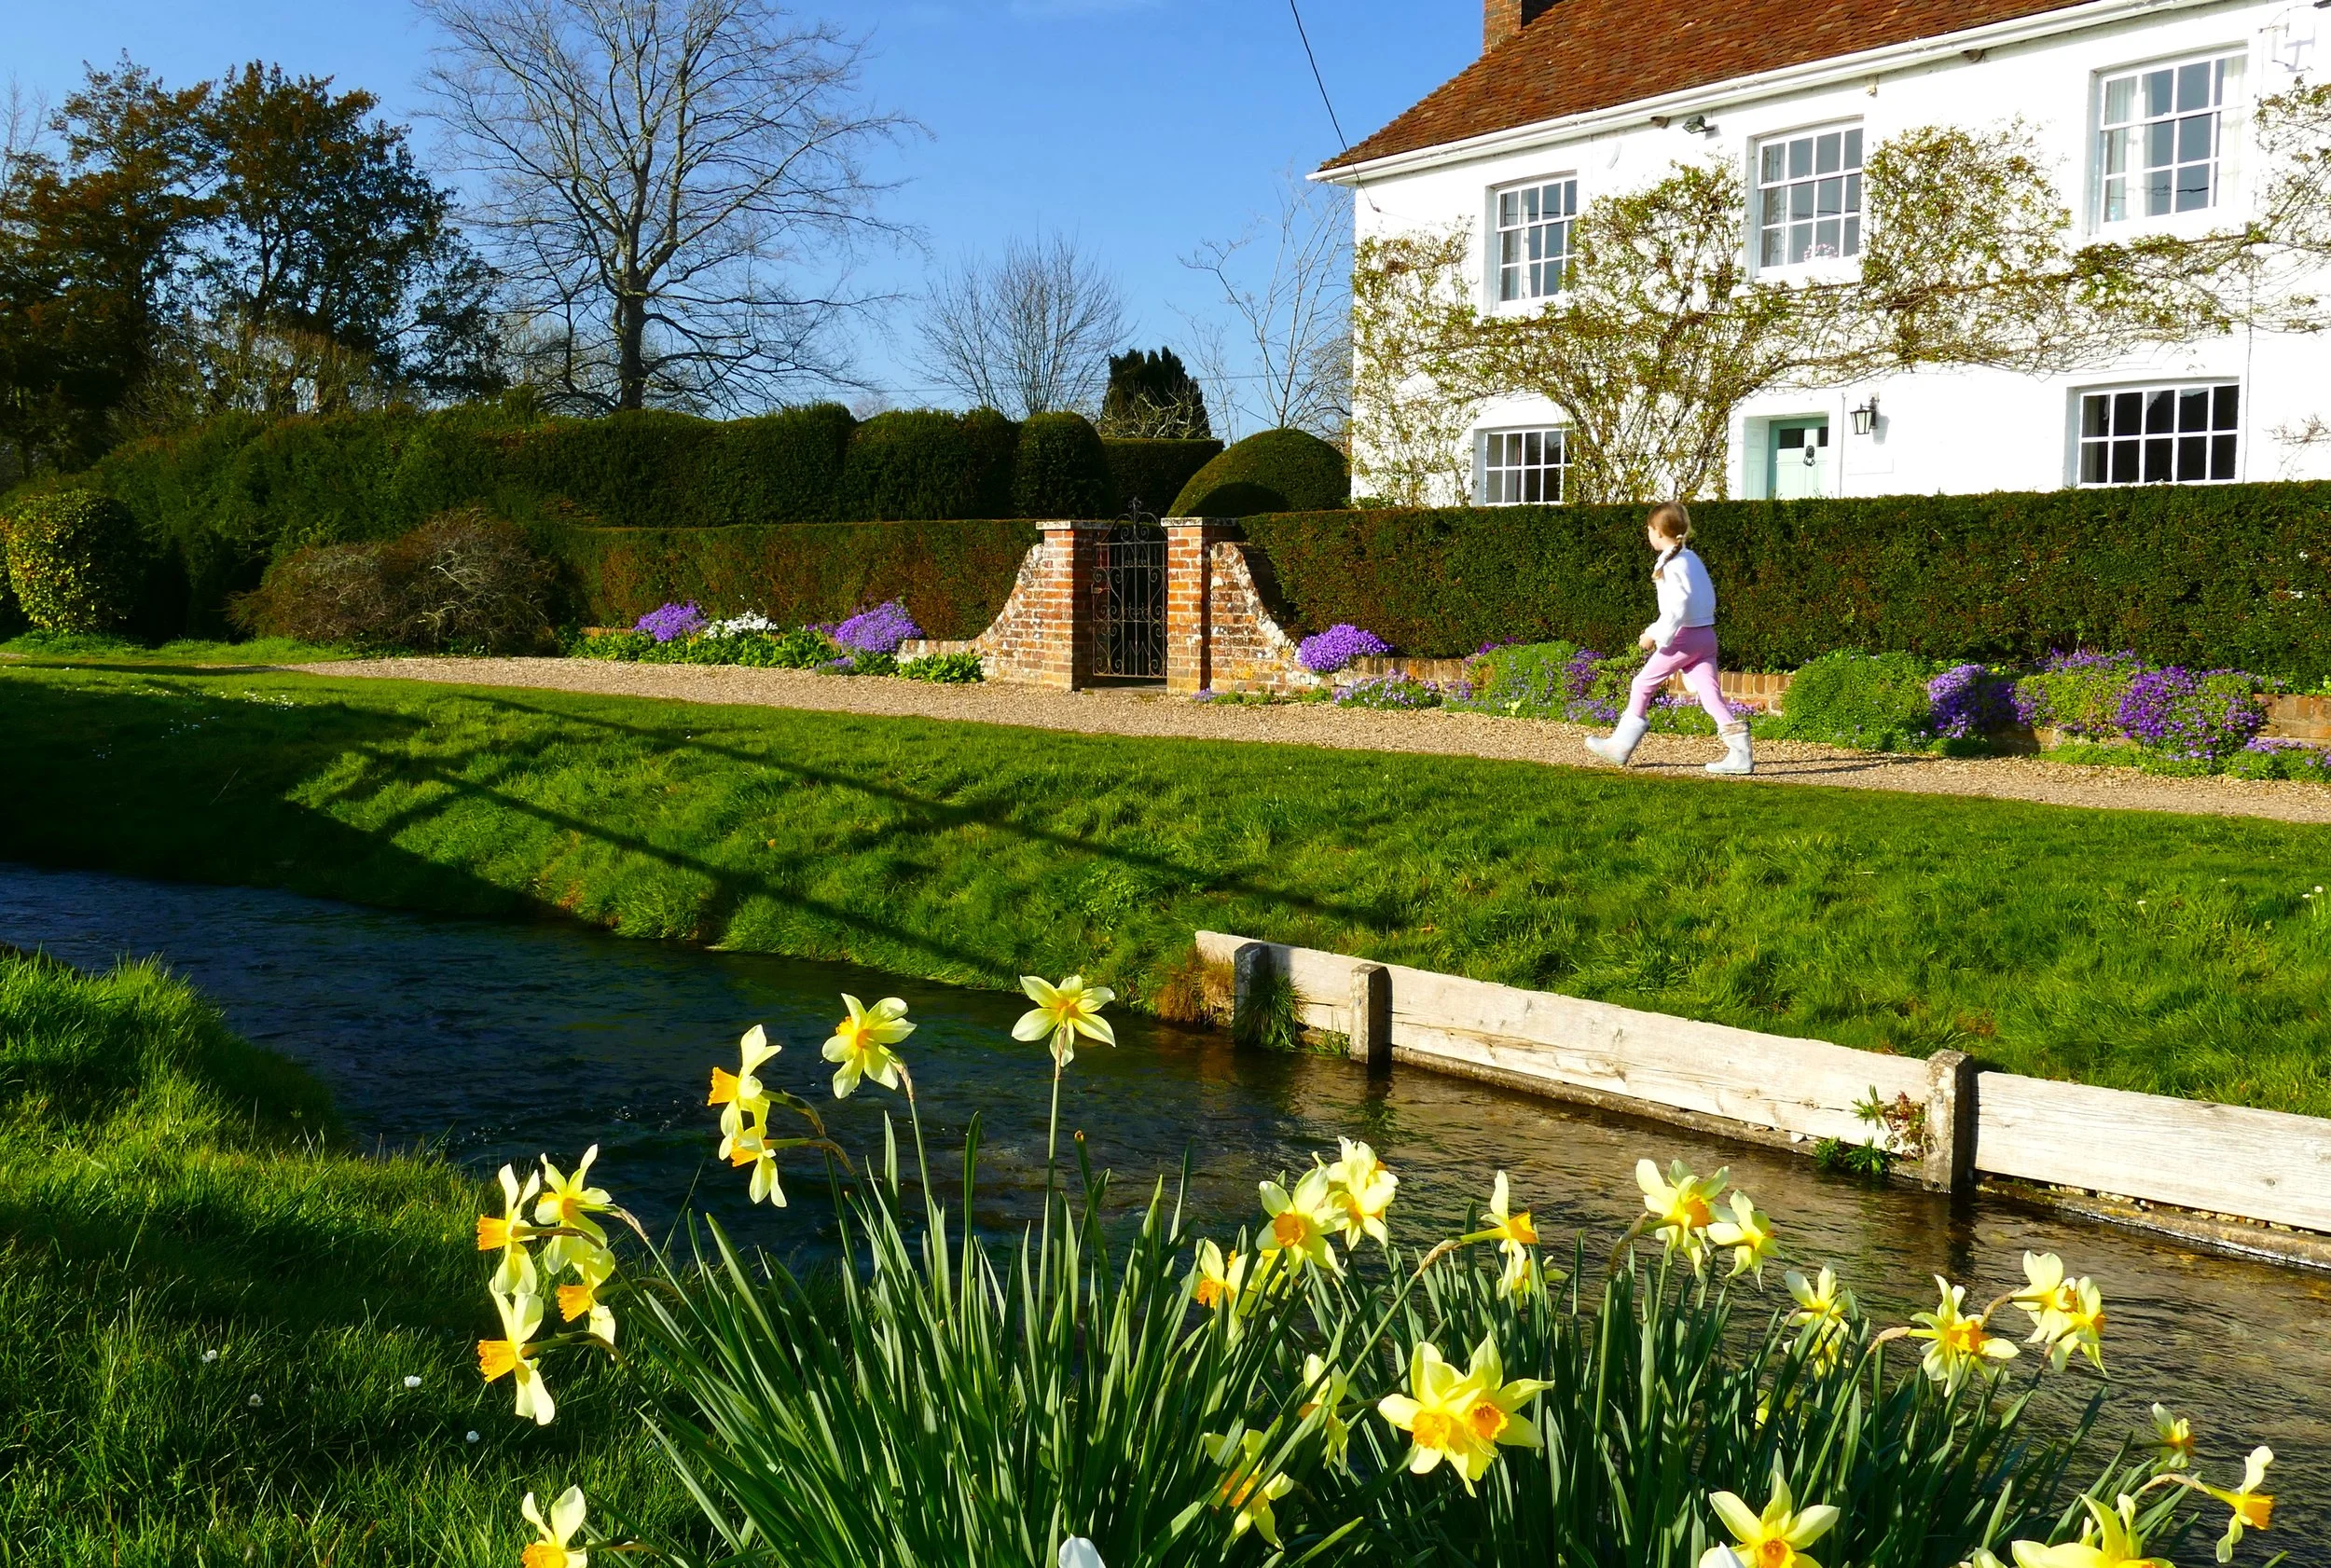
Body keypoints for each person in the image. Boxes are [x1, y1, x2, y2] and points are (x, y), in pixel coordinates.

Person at [1583, 501, 1753, 776]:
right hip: (1706, 635)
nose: (1648, 534)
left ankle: (1620, 747)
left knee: (1641, 684)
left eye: (1649, 529)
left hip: (1684, 638)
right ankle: (1740, 755)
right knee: (1710, 695)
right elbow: (1705, 597)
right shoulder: (1691, 559)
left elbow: (1678, 605)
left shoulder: (1671, 563)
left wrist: (1653, 634)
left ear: (1658, 531)